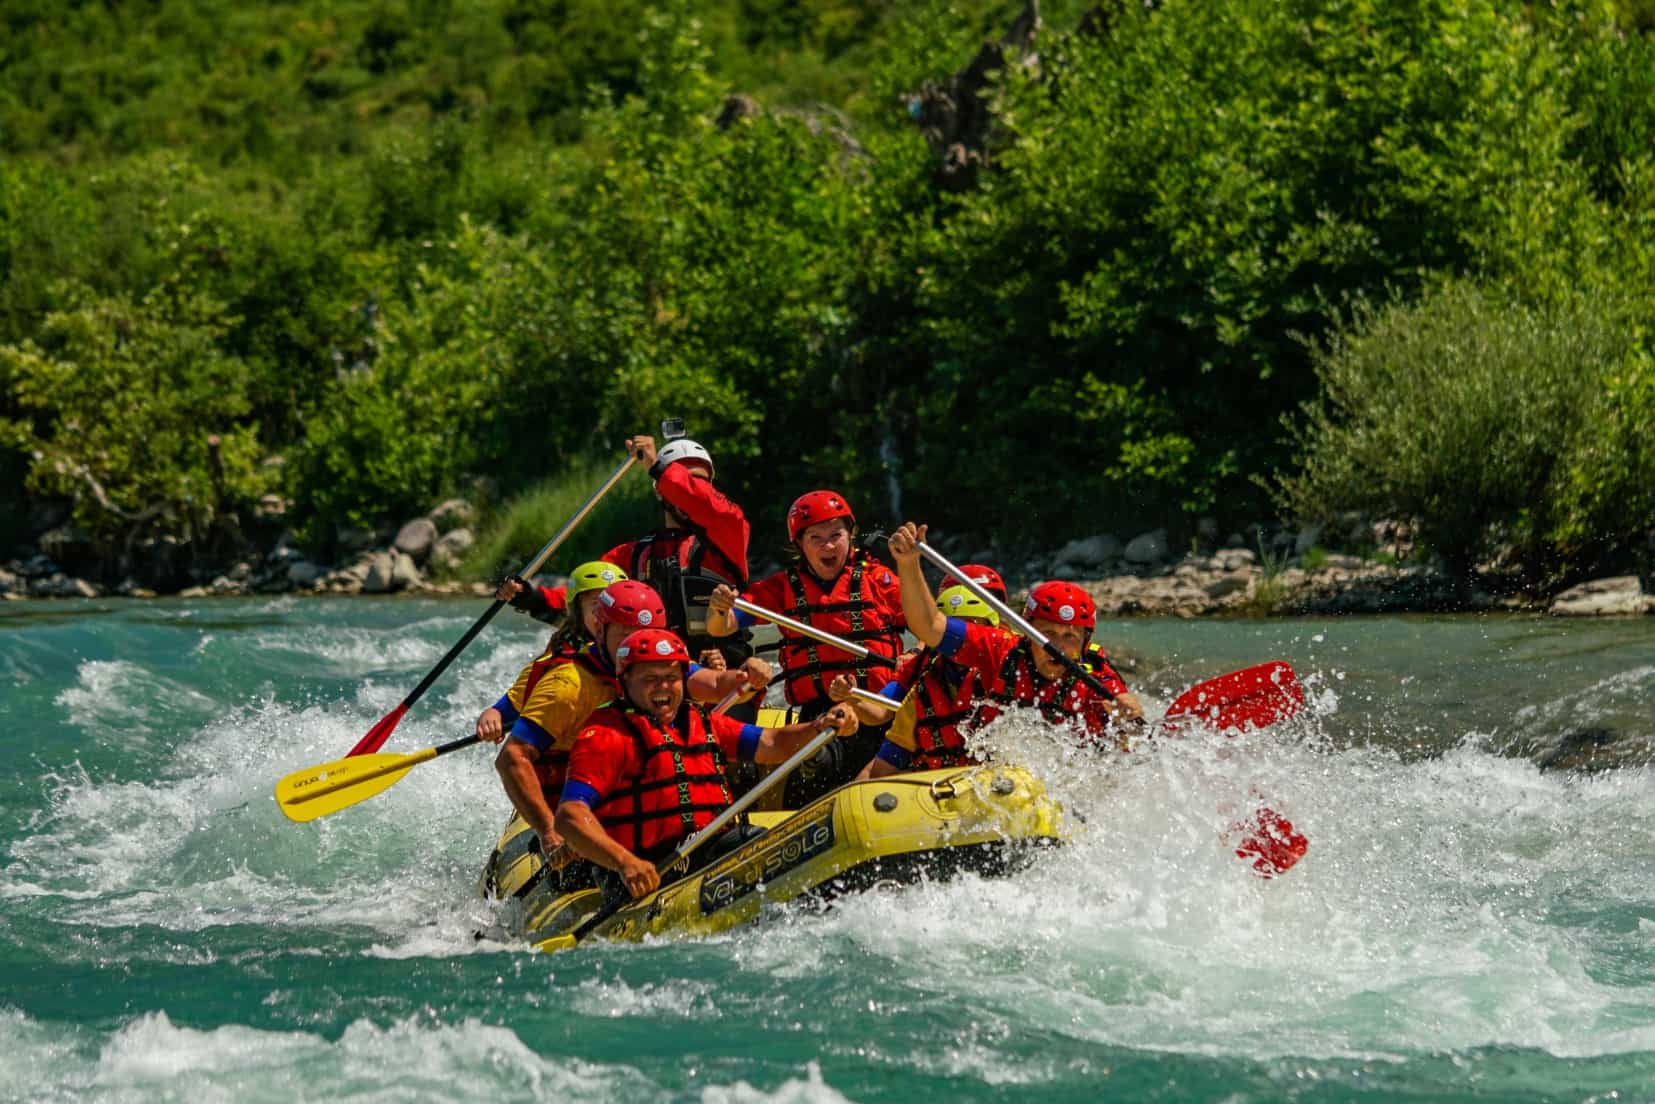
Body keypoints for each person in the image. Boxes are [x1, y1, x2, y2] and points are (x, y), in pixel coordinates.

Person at [492, 580, 770, 886]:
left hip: (648, 810)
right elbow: (512, 758)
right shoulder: (567, 686)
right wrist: (548, 831)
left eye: (648, 635)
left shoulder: (653, 661)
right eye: (626, 635)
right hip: (583, 822)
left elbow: (716, 685)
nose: (637, 645)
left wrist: (746, 676)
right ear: (600, 631)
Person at [555, 628, 860, 903]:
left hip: (708, 850)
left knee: (762, 845)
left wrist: (820, 726)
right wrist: (625, 863)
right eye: (650, 679)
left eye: (672, 677)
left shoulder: (700, 720)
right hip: (644, 871)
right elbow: (570, 816)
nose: (663, 687)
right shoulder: (606, 735)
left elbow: (772, 743)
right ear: (625, 682)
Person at [705, 489, 906, 801]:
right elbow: (721, 626)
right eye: (815, 537)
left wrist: (916, 653)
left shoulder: (879, 580)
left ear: (850, 535)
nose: (828, 546)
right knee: (817, 765)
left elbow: (925, 627)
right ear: (798, 544)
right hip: (821, 712)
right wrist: (719, 607)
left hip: (882, 705)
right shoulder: (782, 588)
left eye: (836, 535)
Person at [886, 522, 1143, 748]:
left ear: (1086, 642)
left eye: (1070, 637)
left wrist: (1129, 721)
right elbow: (930, 626)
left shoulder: (1096, 678)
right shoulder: (999, 649)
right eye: (1048, 633)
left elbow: (1130, 744)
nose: (1059, 646)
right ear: (1027, 633)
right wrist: (908, 565)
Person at [602, 434, 751, 667]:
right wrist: (534, 595)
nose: (694, 491)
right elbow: (590, 590)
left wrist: (658, 467)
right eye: (690, 482)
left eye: (702, 484)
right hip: (658, 674)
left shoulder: (729, 535)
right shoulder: (634, 554)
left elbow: (710, 506)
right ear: (660, 491)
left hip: (724, 675)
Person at [846, 584, 1008, 779]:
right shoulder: (920, 692)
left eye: (971, 628)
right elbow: (880, 768)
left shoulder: (1010, 681)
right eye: (953, 634)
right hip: (938, 793)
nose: (962, 642)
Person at [476, 560, 627, 743]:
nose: (605, 615)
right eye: (595, 606)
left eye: (613, 607)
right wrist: (495, 714)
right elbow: (524, 691)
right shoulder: (563, 652)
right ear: (577, 611)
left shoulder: (639, 644)